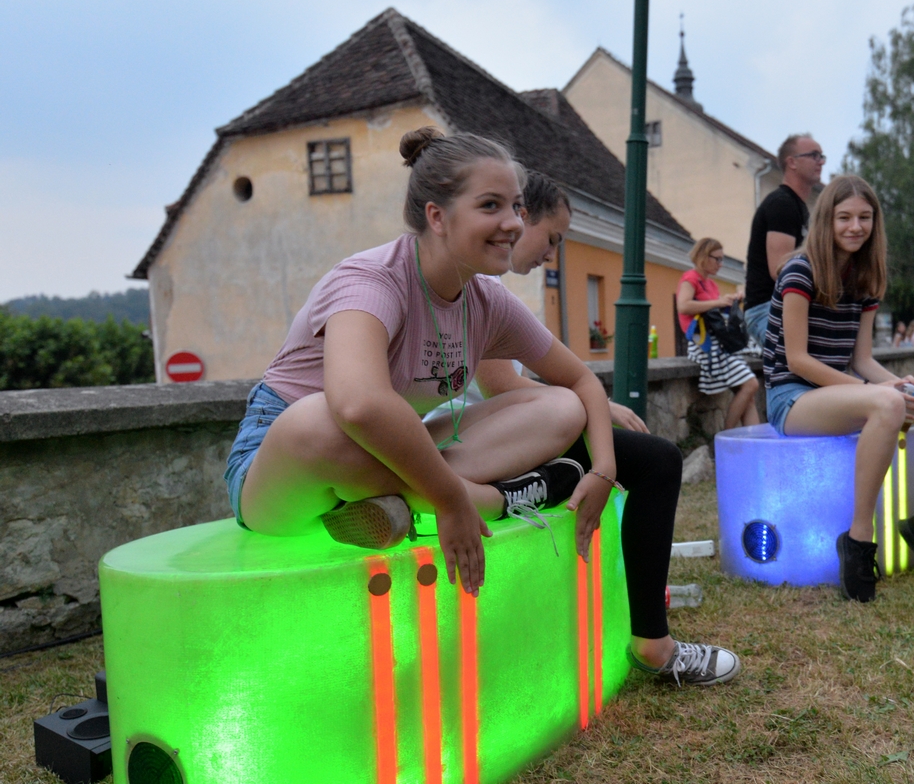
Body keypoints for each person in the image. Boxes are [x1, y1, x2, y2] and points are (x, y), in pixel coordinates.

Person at [225, 127, 619, 597]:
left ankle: (393, 502)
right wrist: (450, 500)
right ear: (437, 216)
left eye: (516, 207)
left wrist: (603, 470)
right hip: (282, 468)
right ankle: (496, 500)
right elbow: (358, 404)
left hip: (392, 457)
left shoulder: (487, 300)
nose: (513, 223)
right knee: (318, 420)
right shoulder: (371, 280)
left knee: (561, 405)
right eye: (490, 205)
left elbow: (580, 381)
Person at [466, 171, 741, 685]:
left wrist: (596, 406)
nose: (552, 254)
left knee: (633, 454)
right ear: (521, 218)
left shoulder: (486, 288)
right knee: (657, 462)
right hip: (475, 439)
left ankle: (532, 489)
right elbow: (501, 387)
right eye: (552, 238)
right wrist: (594, 410)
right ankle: (653, 643)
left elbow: (562, 378)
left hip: (482, 433)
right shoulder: (479, 286)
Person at [762, 175, 914, 603]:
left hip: (838, 393)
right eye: (844, 217)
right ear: (826, 220)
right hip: (791, 398)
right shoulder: (800, 270)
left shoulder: (866, 276)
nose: (855, 227)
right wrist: (879, 393)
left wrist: (898, 384)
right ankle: (858, 539)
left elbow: (862, 359)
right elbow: (797, 360)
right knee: (888, 403)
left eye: (864, 217)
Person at [743, 133, 825, 346]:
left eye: (822, 156)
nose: (821, 162)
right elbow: (781, 269)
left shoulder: (798, 207)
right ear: (792, 162)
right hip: (767, 309)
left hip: (784, 305)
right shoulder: (782, 204)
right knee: (803, 357)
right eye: (814, 155)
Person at [677, 238, 761, 430]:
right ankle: (725, 436)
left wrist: (728, 300)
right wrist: (718, 302)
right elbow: (683, 306)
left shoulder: (710, 284)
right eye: (718, 259)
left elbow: (713, 310)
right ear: (704, 256)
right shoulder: (691, 279)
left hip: (717, 344)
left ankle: (752, 442)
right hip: (704, 346)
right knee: (751, 385)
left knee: (748, 396)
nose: (720, 264)